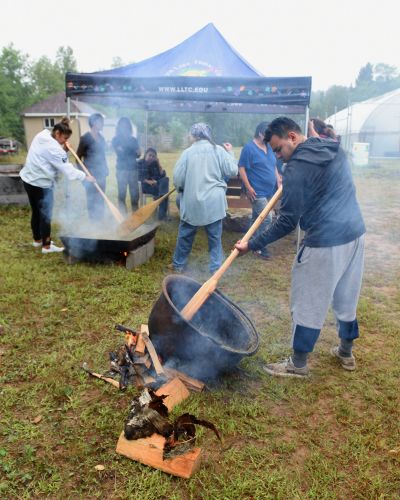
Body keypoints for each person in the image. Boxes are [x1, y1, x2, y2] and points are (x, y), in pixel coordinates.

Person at [235, 117, 366, 378]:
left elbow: (286, 221)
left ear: (293, 137)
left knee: (308, 301)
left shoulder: (296, 169)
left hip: (324, 242)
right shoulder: (331, 147)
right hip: (355, 235)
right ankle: (345, 351)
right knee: (346, 296)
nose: (279, 158)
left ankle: (298, 363)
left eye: (279, 150)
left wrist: (253, 244)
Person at [20, 118, 95, 253]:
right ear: (58, 133)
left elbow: (51, 158)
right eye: (64, 138)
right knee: (45, 214)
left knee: (36, 211)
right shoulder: (55, 149)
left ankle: (37, 240)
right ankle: (46, 246)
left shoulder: (41, 135)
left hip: (28, 180)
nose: (65, 141)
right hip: (41, 184)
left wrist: (63, 150)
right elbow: (67, 169)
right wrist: (85, 177)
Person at [171, 123, 238, 274]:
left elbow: (178, 178)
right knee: (215, 238)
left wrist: (181, 189)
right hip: (214, 202)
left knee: (185, 236)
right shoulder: (219, 150)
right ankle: (216, 269)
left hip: (192, 201)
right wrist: (230, 153)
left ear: (194, 135)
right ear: (208, 135)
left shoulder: (187, 153)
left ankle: (178, 265)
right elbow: (232, 170)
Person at [238, 121, 281, 260]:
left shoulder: (268, 147)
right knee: (267, 219)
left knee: (257, 218)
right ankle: (258, 246)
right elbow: (241, 168)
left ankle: (247, 242)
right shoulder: (249, 148)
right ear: (260, 133)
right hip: (256, 191)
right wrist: (249, 187)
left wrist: (278, 178)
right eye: (267, 135)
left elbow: (273, 165)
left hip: (269, 190)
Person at [77, 113, 108, 221]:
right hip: (90, 175)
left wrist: (105, 170)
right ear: (94, 123)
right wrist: (84, 175)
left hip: (101, 174)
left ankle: (99, 222)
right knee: (92, 200)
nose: (103, 124)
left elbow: (103, 156)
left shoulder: (102, 139)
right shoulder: (85, 138)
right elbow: (77, 158)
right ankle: (93, 223)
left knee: (101, 199)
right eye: (101, 121)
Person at [111, 117, 141, 214]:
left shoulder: (134, 140)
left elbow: (138, 154)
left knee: (135, 195)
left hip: (133, 170)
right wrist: (133, 151)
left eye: (127, 126)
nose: (125, 128)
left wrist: (134, 152)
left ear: (129, 127)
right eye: (122, 126)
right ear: (119, 127)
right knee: (122, 195)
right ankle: (123, 217)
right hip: (121, 170)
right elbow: (120, 152)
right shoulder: (115, 140)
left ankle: (136, 216)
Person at [137, 148, 169, 220]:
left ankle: (160, 197)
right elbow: (137, 176)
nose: (151, 157)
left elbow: (162, 175)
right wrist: (148, 181)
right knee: (164, 193)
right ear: (145, 155)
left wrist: (158, 164)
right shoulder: (140, 163)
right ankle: (162, 215)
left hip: (156, 185)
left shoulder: (155, 164)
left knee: (165, 180)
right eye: (150, 155)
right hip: (146, 186)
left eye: (153, 156)